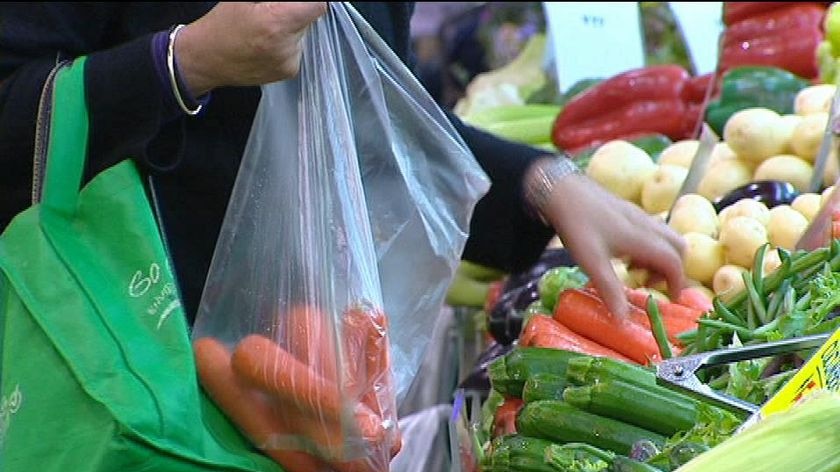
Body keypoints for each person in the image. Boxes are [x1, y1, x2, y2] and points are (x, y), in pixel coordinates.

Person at [0, 2, 685, 326]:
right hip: (114, 376)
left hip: (301, 387)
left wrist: (537, 184)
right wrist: (185, 63)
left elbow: (372, 118)